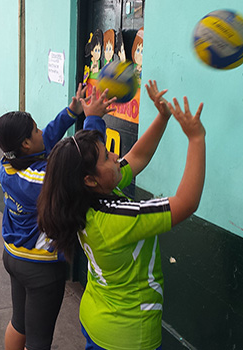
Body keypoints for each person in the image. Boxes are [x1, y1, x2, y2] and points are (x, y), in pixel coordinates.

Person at [37, 81, 206, 349]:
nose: (116, 156)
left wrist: (162, 117)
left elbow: (138, 156)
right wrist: (196, 139)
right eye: (106, 156)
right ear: (89, 179)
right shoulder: (116, 219)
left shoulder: (85, 198)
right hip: (127, 336)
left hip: (98, 318)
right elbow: (186, 203)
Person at [0, 84, 114, 350]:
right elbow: (77, 163)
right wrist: (93, 120)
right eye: (35, 130)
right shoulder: (40, 179)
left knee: (19, 324)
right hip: (40, 268)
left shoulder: (9, 165)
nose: (41, 132)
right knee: (38, 341)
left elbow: (46, 139)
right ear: (25, 143)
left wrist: (72, 112)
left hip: (13, 256)